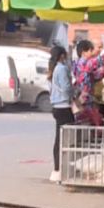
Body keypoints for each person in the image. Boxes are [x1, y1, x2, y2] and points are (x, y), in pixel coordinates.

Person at [71, 39, 104, 126]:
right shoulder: (84, 63)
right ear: (84, 52)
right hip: (85, 99)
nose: (92, 52)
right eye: (90, 50)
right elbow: (98, 61)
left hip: (86, 98)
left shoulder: (79, 64)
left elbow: (95, 76)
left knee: (88, 122)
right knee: (91, 121)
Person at [48, 46, 74, 182]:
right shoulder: (62, 69)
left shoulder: (53, 69)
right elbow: (66, 88)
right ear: (62, 56)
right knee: (65, 139)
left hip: (56, 106)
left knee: (59, 138)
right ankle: (60, 169)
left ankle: (57, 169)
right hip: (64, 106)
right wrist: (75, 94)